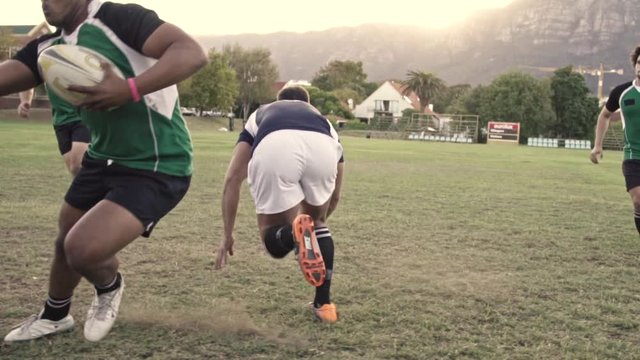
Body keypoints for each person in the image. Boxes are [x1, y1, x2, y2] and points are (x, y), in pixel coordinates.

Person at [2, 0, 206, 342]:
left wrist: (129, 89)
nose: (45, 3)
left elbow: (191, 52)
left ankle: (109, 286)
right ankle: (55, 316)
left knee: (82, 249)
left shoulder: (117, 18)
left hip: (157, 163)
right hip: (103, 157)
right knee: (65, 237)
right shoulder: (49, 48)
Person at [215, 86, 345, 323]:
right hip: (322, 149)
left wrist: (228, 234)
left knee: (273, 241)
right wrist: (316, 228)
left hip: (277, 145)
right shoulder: (324, 121)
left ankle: (292, 234)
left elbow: (233, 177)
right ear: (309, 103)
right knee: (317, 223)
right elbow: (336, 194)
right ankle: (324, 305)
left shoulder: (263, 112)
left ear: (278, 101)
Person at [591, 45, 640, 235]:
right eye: (638, 62)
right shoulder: (621, 92)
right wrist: (597, 146)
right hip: (632, 155)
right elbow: (604, 116)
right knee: (638, 200)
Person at [17, 88, 89, 176]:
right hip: (60, 121)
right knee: (74, 170)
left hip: (84, 116)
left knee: (77, 165)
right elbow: (28, 80)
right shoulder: (45, 73)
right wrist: (25, 100)